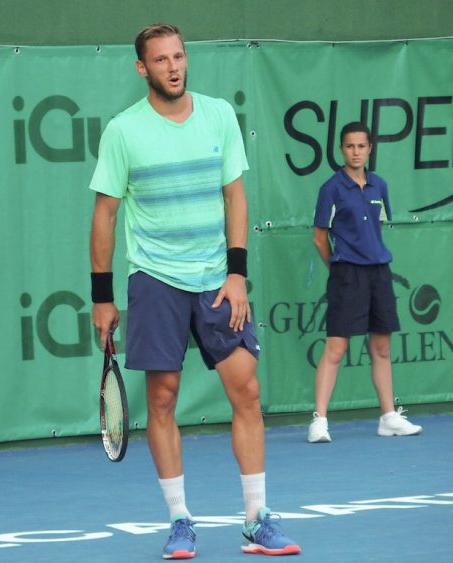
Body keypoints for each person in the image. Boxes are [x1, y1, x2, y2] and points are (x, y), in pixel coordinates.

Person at [89, 23, 300, 560]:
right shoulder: (123, 131)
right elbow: (105, 215)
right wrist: (102, 296)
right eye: (160, 60)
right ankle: (180, 520)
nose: (173, 67)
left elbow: (236, 196)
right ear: (142, 69)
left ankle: (257, 519)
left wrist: (237, 273)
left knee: (246, 390)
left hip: (216, 280)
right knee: (161, 398)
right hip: (155, 279)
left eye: (178, 57)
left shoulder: (218, 115)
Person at [308, 121, 423, 443]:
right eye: (349, 146)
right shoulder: (330, 188)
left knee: (382, 347)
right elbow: (319, 237)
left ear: (369, 149)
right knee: (337, 347)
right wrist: (338, 266)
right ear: (341, 149)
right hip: (347, 274)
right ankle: (319, 420)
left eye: (361, 146)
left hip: (379, 273)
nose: (355, 152)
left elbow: (378, 227)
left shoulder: (379, 186)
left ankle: (388, 417)